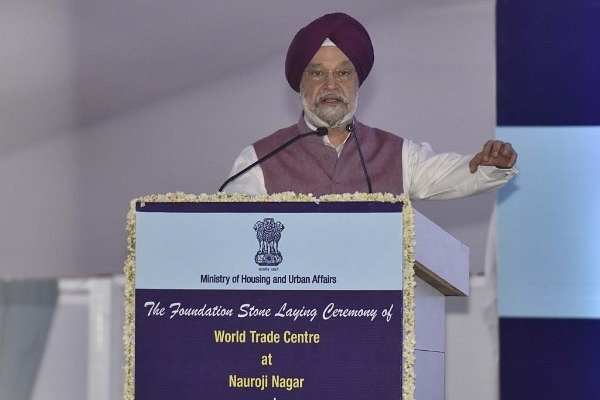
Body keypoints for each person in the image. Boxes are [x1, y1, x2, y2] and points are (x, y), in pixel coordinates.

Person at [223, 12, 518, 199]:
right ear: (300, 82)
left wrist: (490, 166)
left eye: (343, 72)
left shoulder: (394, 154)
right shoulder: (258, 160)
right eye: (316, 73)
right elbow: (226, 233)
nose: (330, 85)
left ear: (357, 81)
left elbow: (451, 173)